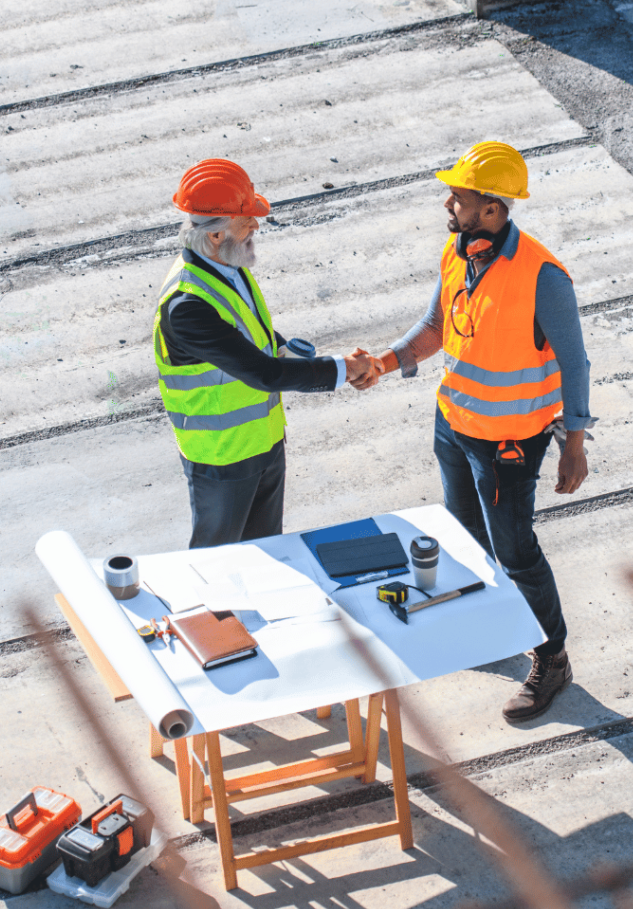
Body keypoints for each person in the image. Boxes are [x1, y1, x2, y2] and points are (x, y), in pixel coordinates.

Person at [361, 141, 594, 722]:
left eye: (459, 197)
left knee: (516, 550)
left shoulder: (544, 277)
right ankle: (493, 629)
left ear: (491, 209)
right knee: (465, 535)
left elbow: (576, 363)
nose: (449, 203)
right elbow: (438, 324)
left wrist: (573, 442)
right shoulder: (459, 250)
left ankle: (552, 658)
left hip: (510, 440)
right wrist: (384, 365)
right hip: (455, 423)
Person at [154, 158, 375, 548]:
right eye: (246, 219)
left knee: (268, 552)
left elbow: (250, 332)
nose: (255, 224)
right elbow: (263, 374)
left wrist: (285, 348)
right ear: (217, 234)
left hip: (265, 444)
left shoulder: (226, 267)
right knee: (217, 561)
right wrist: (342, 370)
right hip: (223, 459)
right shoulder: (187, 306)